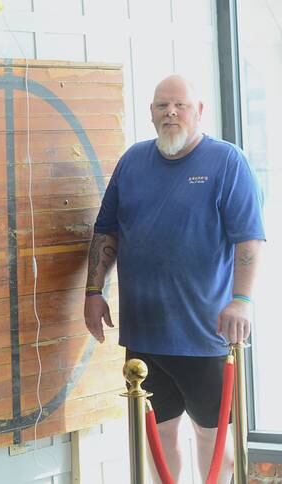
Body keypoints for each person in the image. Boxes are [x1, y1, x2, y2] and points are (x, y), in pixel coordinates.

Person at [84, 75, 265, 483]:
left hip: (205, 335)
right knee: (160, 435)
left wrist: (243, 300)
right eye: (162, 105)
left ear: (198, 111)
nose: (171, 113)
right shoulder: (132, 162)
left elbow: (249, 239)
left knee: (212, 437)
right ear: (150, 113)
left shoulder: (226, 162)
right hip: (145, 334)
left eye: (180, 105)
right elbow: (106, 231)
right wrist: (94, 290)